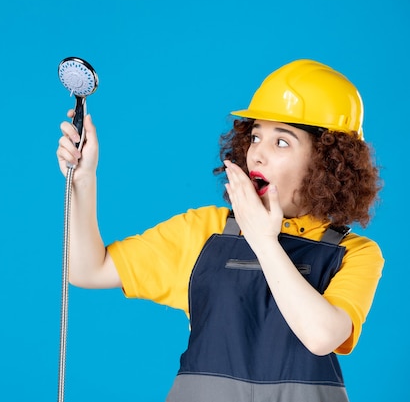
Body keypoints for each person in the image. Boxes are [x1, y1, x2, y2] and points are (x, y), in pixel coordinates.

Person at [55, 59, 383, 402]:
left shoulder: (354, 254)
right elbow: (87, 270)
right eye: (255, 136)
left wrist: (263, 241)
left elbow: (321, 336)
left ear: (327, 162)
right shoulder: (205, 230)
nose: (257, 155)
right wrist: (84, 179)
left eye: (282, 142)